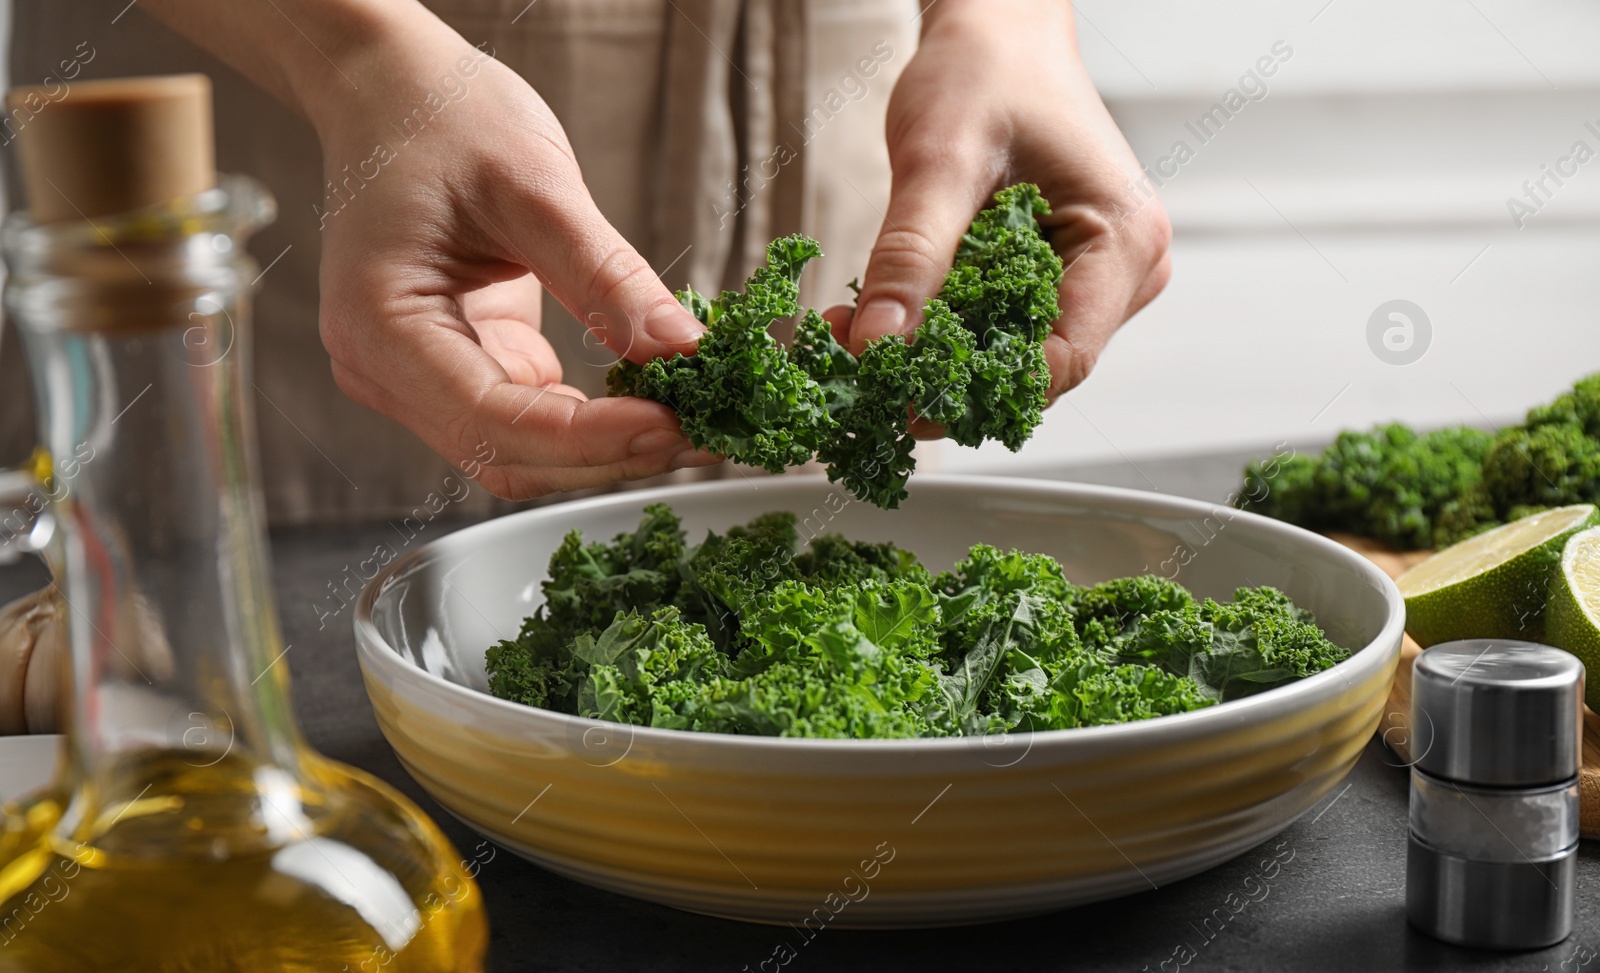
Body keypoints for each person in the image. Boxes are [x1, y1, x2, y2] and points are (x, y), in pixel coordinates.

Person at [0, 0, 1168, 731]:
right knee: (261, 664)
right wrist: (354, 54)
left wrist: (1005, 25)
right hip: (316, 155)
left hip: (841, 107)